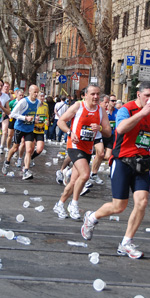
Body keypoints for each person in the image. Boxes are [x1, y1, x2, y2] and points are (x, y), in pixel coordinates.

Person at [80, 81, 150, 259]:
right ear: (138, 94)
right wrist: (142, 113)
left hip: (142, 161)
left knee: (142, 202)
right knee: (119, 206)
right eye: (147, 95)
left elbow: (148, 131)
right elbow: (120, 128)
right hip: (122, 161)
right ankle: (92, 217)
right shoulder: (127, 109)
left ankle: (126, 242)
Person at [53, 85, 111, 219]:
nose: (96, 97)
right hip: (74, 145)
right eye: (92, 94)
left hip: (88, 148)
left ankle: (60, 204)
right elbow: (61, 121)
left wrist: (100, 127)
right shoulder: (78, 106)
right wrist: (69, 132)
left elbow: (108, 132)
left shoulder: (101, 110)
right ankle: (74, 204)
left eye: (97, 94)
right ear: (85, 95)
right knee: (85, 175)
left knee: (73, 182)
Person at [4, 84, 40, 180]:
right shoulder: (24, 102)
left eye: (37, 92)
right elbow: (13, 114)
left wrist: (35, 119)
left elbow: (34, 113)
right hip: (20, 128)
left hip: (29, 129)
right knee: (15, 148)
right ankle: (7, 161)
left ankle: (26, 170)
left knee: (29, 149)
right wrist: (25, 118)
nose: (36, 94)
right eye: (34, 92)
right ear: (30, 92)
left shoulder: (38, 102)